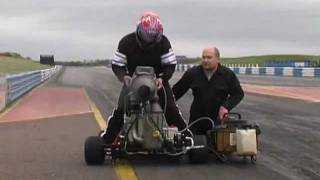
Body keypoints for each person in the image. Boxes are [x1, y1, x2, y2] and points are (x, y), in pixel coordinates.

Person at [100, 12, 188, 144]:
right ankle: (107, 140)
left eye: (152, 37)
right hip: (132, 82)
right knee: (121, 109)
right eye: (146, 36)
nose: (148, 41)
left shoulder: (163, 42)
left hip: (158, 81)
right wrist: (124, 77)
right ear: (139, 30)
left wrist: (162, 79)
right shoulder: (126, 42)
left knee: (170, 108)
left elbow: (170, 65)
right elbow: (117, 64)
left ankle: (186, 137)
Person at [172, 47, 244, 135]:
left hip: (218, 122)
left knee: (218, 147)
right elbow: (175, 92)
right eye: (203, 57)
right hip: (196, 121)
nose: (205, 60)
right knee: (194, 147)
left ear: (217, 59)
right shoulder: (192, 74)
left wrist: (225, 107)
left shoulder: (227, 74)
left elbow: (238, 93)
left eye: (209, 57)